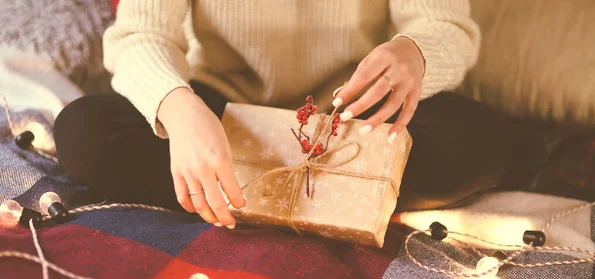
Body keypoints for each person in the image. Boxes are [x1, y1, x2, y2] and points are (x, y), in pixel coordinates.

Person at [54, 0, 514, 230]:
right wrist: (178, 108)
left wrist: (413, 53)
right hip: (222, 107)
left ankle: (234, 190)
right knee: (83, 131)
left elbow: (445, 27)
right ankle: (335, 200)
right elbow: (139, 35)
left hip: (350, 109)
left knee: (480, 139)